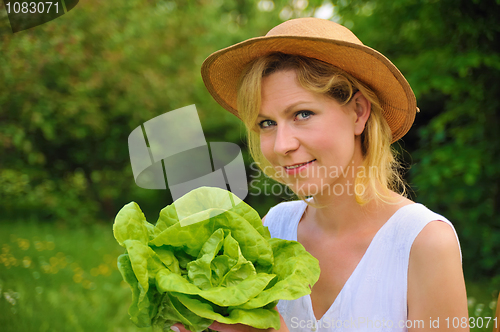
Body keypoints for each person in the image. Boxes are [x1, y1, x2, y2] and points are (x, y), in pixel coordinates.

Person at [176, 17, 469, 332]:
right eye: (266, 123)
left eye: (302, 114)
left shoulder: (423, 243)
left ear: (358, 112)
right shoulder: (273, 227)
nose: (282, 145)